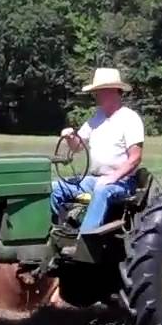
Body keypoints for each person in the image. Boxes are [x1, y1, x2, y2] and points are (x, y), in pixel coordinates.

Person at [51, 67, 145, 236]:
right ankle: (57, 233)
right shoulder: (97, 118)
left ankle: (84, 240)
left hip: (122, 182)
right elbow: (77, 147)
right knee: (55, 188)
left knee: (102, 190)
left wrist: (112, 177)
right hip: (95, 179)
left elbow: (135, 158)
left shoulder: (130, 119)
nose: (97, 96)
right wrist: (70, 137)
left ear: (114, 91)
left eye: (101, 91)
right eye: (97, 92)